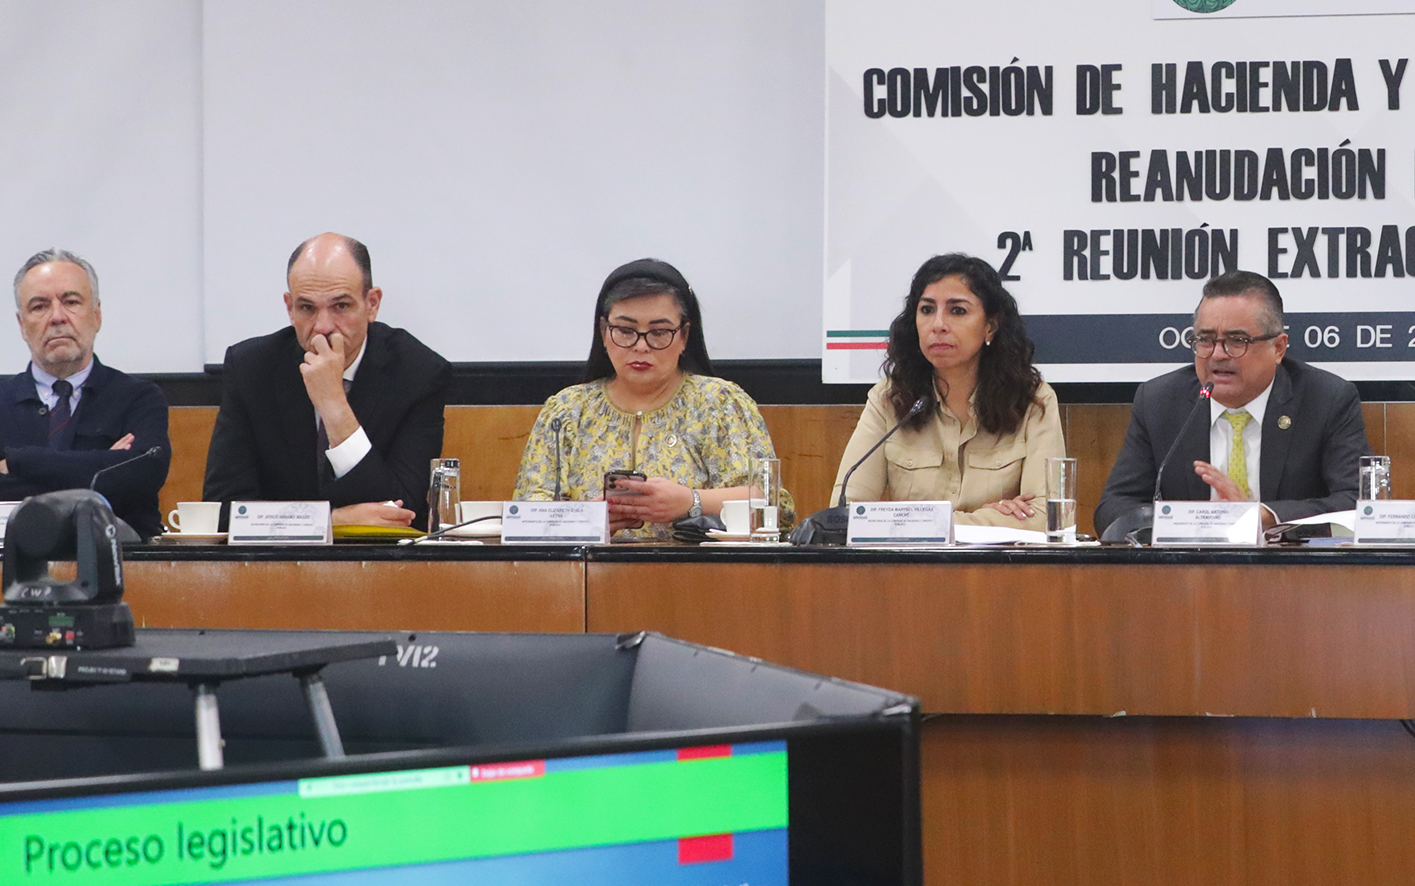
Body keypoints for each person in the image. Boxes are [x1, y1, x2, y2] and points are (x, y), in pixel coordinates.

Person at [513, 259, 782, 541]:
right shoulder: (566, 411)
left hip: (697, 567)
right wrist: (588, 519)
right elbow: (525, 516)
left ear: (684, 336)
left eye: (659, 333)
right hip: (586, 568)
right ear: (604, 332)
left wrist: (691, 502)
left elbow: (769, 505)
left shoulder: (721, 403)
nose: (641, 346)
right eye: (625, 331)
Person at [203, 234, 451, 527]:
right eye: (307, 308)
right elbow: (223, 511)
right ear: (289, 307)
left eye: (341, 306)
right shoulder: (252, 369)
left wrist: (334, 405)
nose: (322, 327)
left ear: (372, 304)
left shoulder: (418, 373)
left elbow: (399, 513)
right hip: (278, 557)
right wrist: (331, 522)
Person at [1094, 270, 1366, 534]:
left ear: (1278, 348)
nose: (1218, 354)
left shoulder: (1326, 400)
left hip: (1289, 563)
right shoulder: (1160, 402)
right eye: (1205, 340)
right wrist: (1190, 522)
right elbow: (1113, 508)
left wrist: (1263, 515)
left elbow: (1358, 502)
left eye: (1237, 341)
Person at [831, 254, 1066, 527]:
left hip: (997, 558)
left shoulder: (1032, 400)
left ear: (990, 327)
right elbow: (845, 513)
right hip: (911, 558)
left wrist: (916, 523)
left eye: (957, 311)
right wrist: (988, 520)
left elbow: (1049, 518)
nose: (938, 324)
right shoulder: (889, 398)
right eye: (927, 310)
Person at [0, 249, 170, 539]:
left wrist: (17, 463)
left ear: (97, 315)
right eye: (40, 306)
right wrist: (103, 470)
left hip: (121, 561)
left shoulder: (138, 397)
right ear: (22, 325)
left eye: (71, 302)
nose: (57, 317)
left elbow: (142, 476)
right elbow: (118, 482)